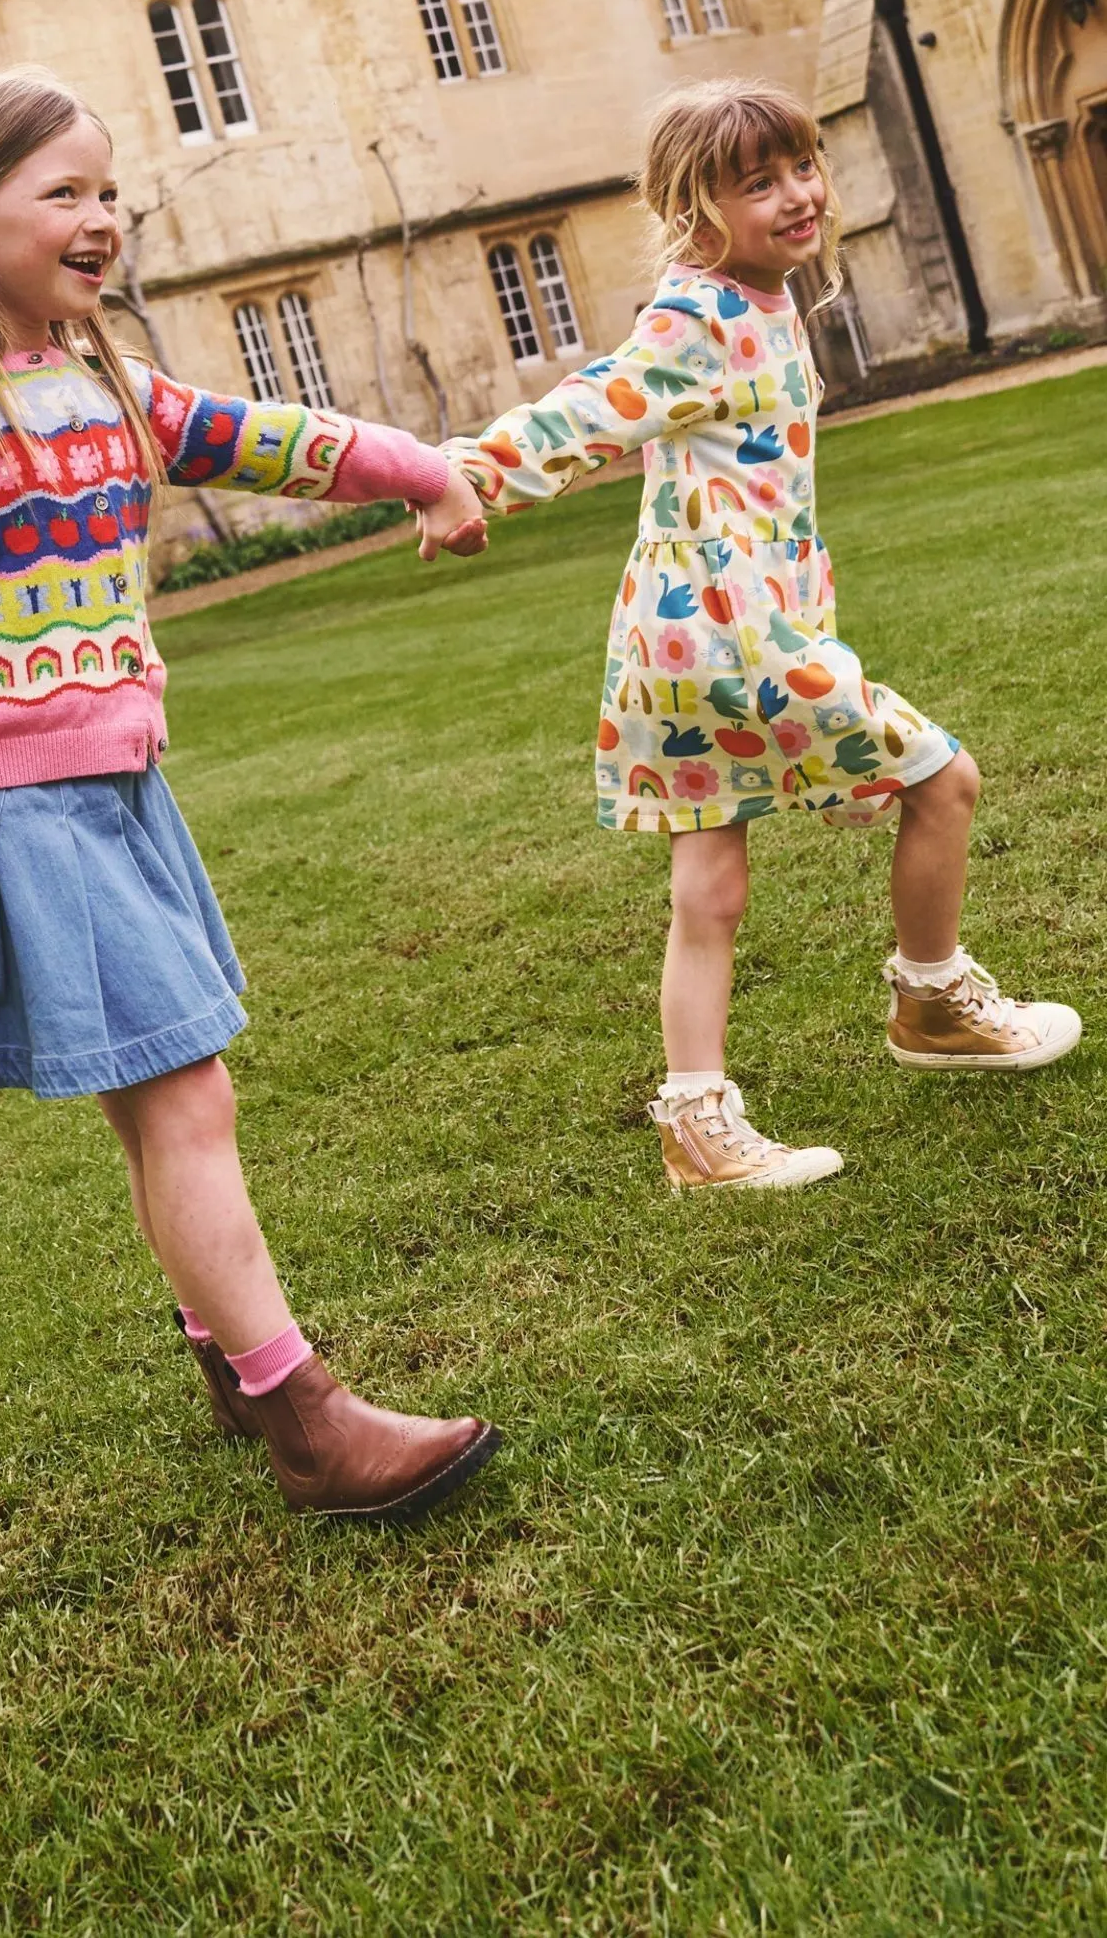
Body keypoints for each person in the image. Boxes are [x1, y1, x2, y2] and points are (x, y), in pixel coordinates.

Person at [0, 70, 500, 1519]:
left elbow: (265, 437)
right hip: (18, 813)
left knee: (157, 1103)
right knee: (189, 1095)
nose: (102, 218)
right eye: (64, 193)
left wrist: (424, 466)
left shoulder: (100, 377)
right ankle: (305, 1416)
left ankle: (231, 1367)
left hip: (114, 792)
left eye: (109, 190)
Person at [420, 78, 1080, 1192]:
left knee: (710, 885)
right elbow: (595, 405)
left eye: (803, 166)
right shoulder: (702, 314)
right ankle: (930, 1001)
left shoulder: (761, 301)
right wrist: (468, 473)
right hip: (732, 638)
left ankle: (696, 1122)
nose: (797, 195)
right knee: (945, 779)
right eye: (758, 182)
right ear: (695, 208)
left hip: (690, 640)